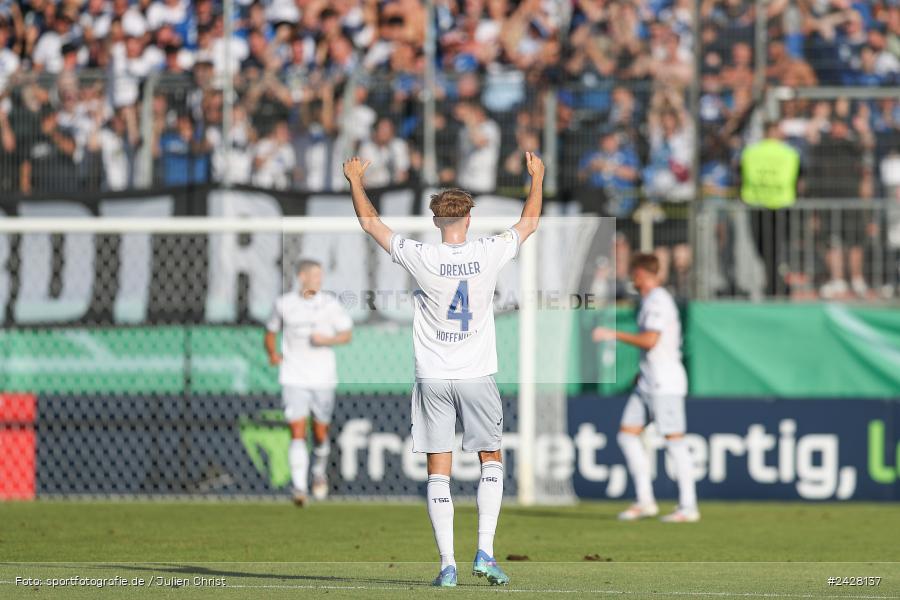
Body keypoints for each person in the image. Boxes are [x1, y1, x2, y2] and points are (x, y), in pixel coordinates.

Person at [342, 151, 545, 587]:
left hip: (432, 375)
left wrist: (356, 180)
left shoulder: (422, 256)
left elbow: (370, 224)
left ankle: (447, 565)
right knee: (491, 460)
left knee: (439, 470)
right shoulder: (489, 252)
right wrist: (537, 177)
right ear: (469, 219)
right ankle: (486, 553)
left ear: (435, 222)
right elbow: (529, 223)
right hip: (476, 374)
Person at [592, 253, 699, 523]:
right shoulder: (650, 300)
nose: (631, 278)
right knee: (627, 435)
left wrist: (612, 333)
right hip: (648, 382)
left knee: (674, 441)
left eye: (634, 274)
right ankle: (645, 500)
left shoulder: (659, 301)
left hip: (665, 383)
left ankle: (688, 506)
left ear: (641, 274)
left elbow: (651, 340)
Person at [264, 260, 353, 506]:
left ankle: (318, 472)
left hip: (323, 379)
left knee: (320, 433)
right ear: (301, 276)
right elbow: (270, 333)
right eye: (314, 275)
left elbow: (346, 334)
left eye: (320, 275)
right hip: (293, 377)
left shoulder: (330, 304)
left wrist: (328, 340)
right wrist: (272, 354)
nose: (318, 279)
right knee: (297, 431)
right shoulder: (284, 304)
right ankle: (299, 489)